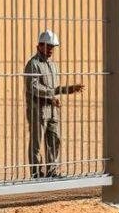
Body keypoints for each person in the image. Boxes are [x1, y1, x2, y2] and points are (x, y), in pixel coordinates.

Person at [25, 29, 84, 179]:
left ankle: (52, 172)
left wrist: (68, 89)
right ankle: (37, 174)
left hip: (52, 110)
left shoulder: (53, 66)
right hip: (37, 110)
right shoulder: (33, 64)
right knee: (36, 144)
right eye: (48, 46)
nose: (51, 49)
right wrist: (51, 96)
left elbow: (53, 89)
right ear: (39, 45)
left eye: (53, 47)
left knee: (54, 140)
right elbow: (33, 87)